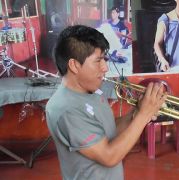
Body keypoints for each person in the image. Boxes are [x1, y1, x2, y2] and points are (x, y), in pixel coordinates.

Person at [46, 25, 167, 180]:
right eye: (98, 61)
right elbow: (109, 157)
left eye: (104, 59)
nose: (105, 67)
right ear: (74, 65)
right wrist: (143, 115)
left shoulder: (91, 90)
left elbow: (106, 130)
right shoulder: (66, 109)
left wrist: (136, 113)